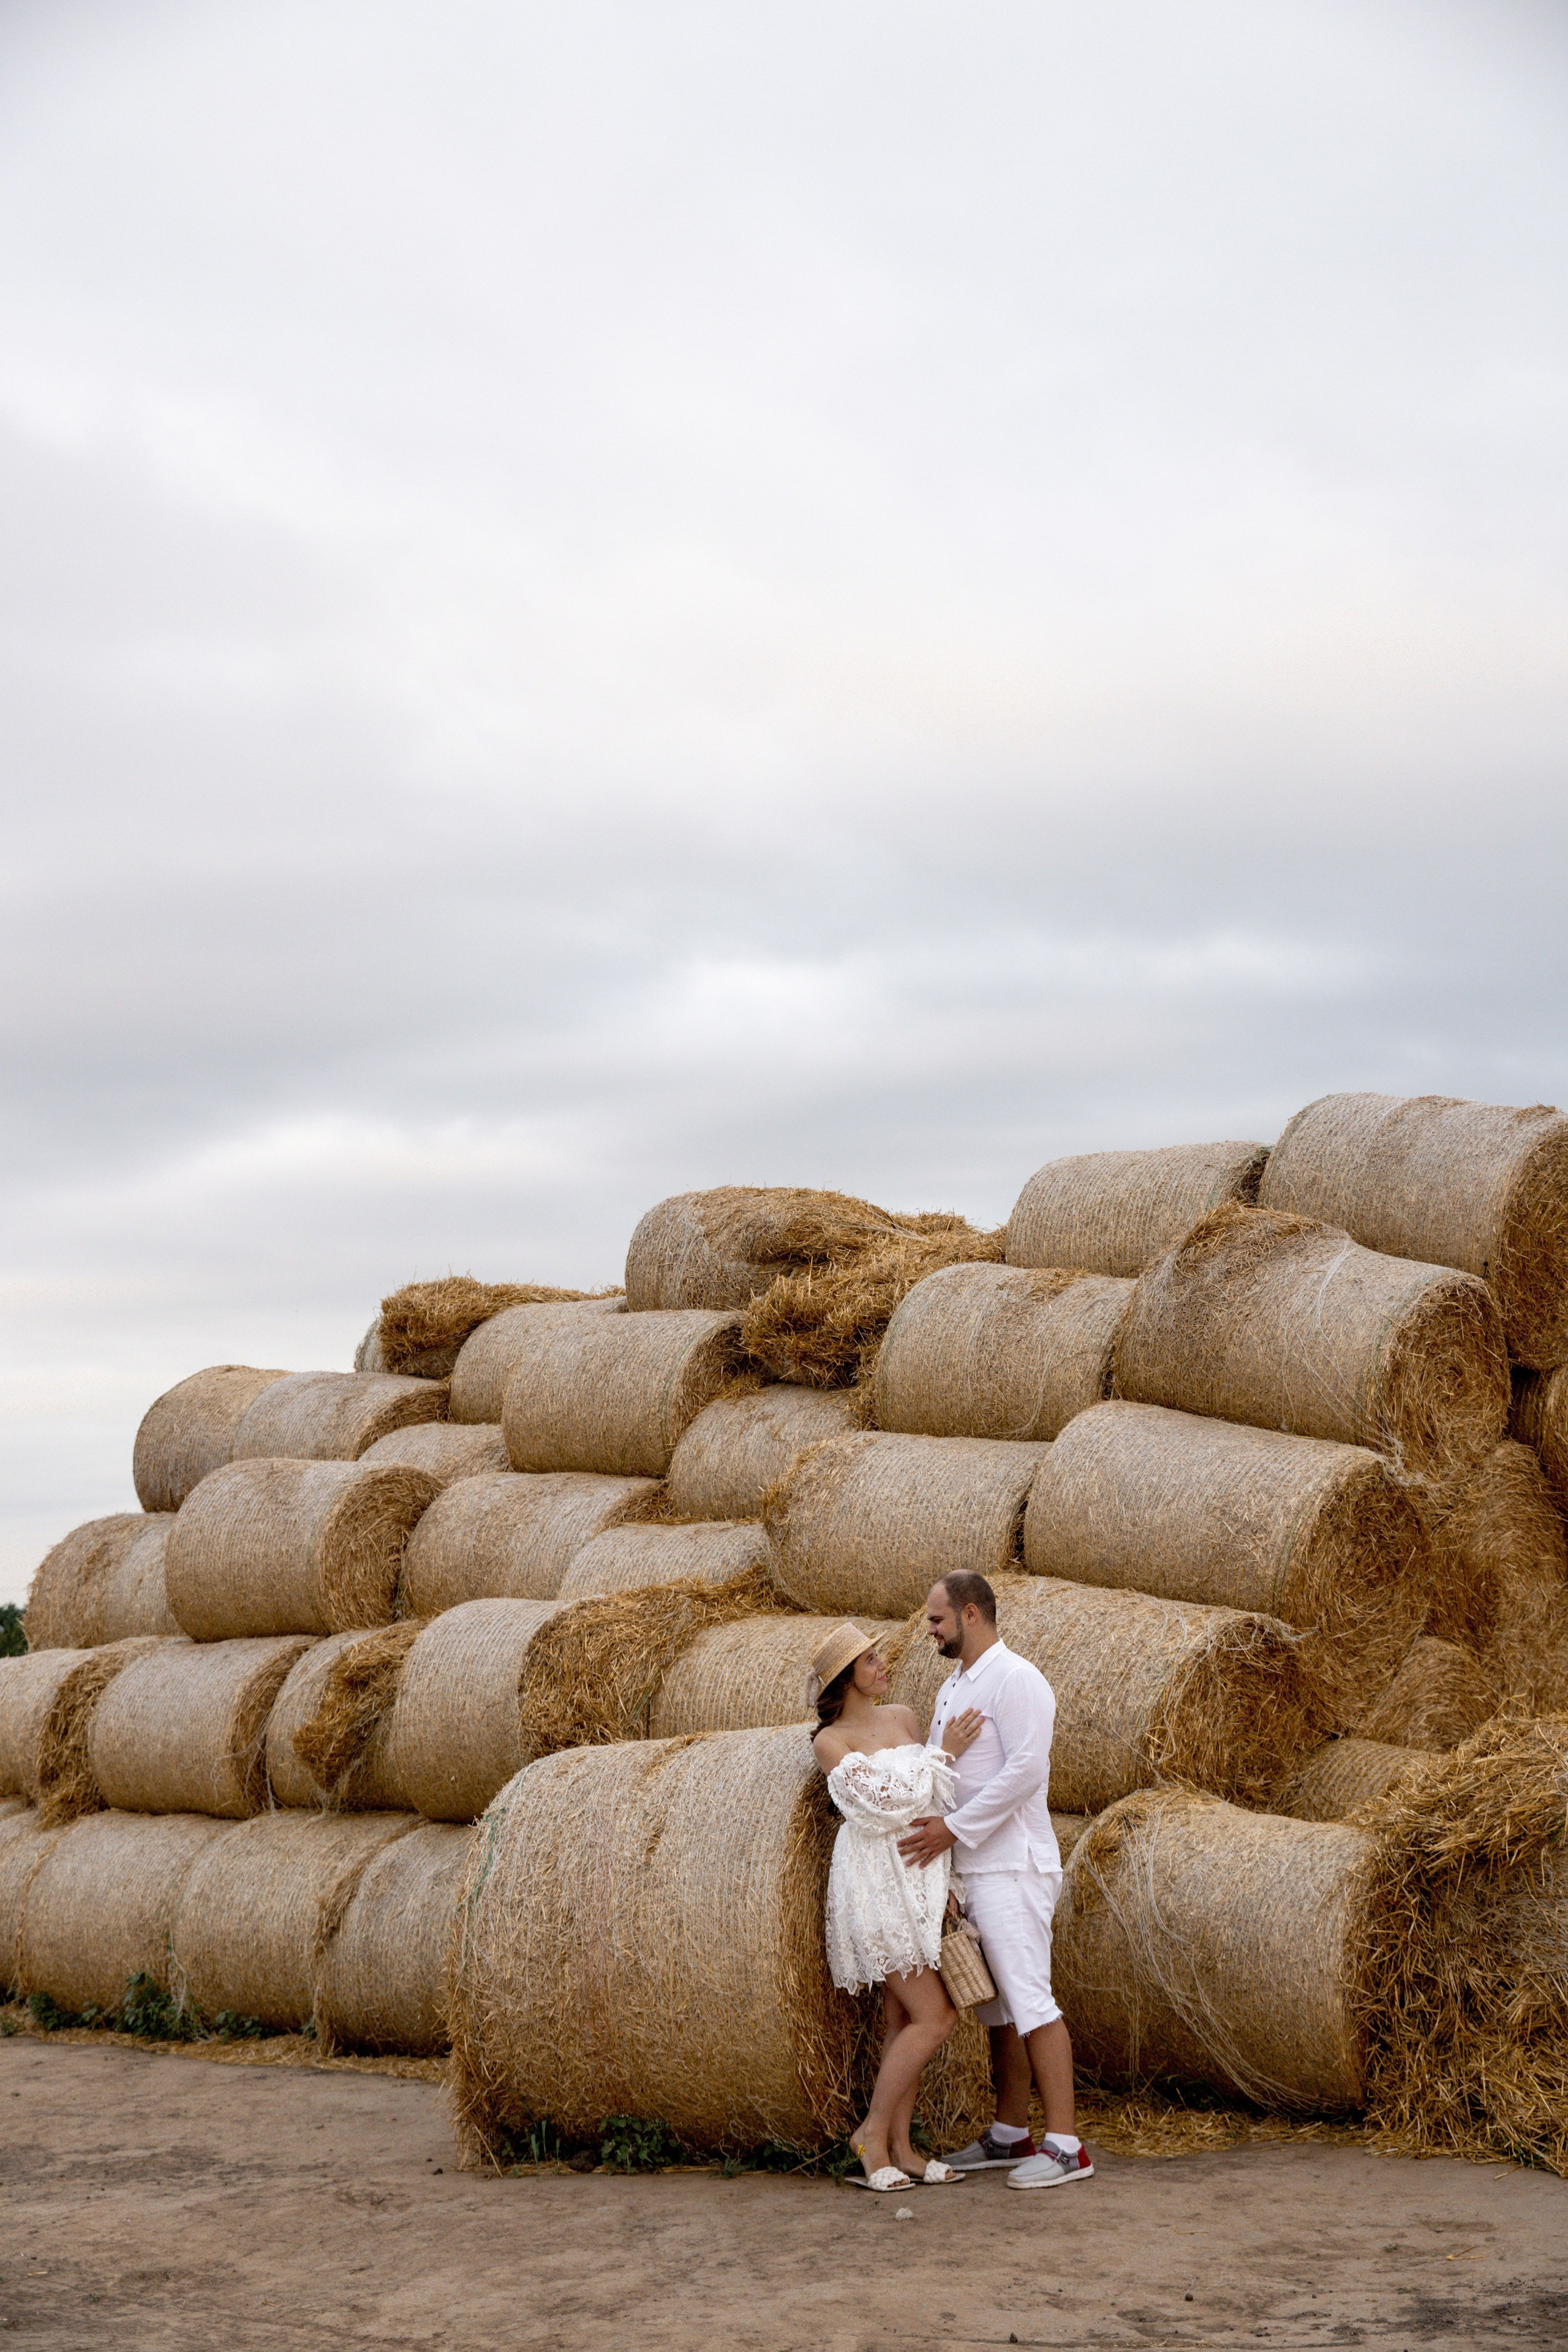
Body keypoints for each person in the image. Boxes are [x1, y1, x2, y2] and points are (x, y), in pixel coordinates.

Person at [896, 1572, 1093, 2190]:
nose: (929, 1630)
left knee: (1030, 1999)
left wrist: (953, 1831)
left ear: (971, 1614)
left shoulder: (1016, 1678)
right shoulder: (953, 1687)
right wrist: (950, 1869)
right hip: (976, 1868)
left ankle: (1066, 2148)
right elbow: (950, 1778)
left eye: (936, 1620)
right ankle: (1010, 2132)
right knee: (1000, 2010)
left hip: (1014, 1865)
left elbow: (1026, 1772)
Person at [809, 1618, 986, 2192]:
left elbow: (934, 1800)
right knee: (937, 2015)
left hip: (921, 1877)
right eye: (871, 1662)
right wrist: (944, 1755)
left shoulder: (905, 1717)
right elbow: (880, 1805)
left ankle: (901, 2149)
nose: (883, 1667)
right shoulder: (830, 1742)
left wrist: (949, 1889)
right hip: (876, 1884)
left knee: (903, 2018)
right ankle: (872, 2132)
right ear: (847, 1680)